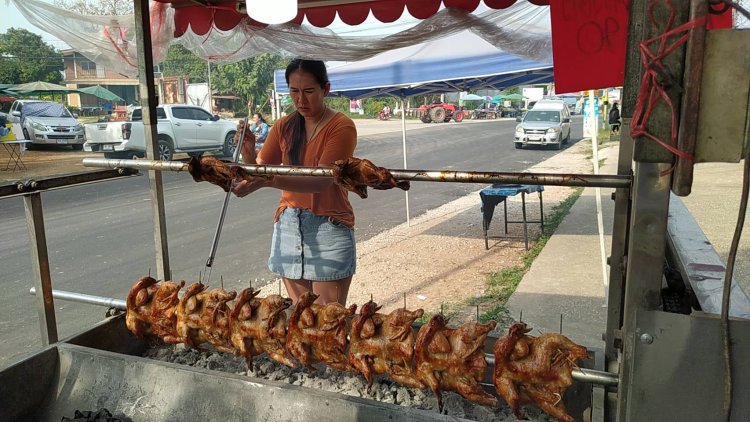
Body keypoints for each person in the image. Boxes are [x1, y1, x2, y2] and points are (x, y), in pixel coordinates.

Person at [231, 59, 357, 306]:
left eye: (309, 91)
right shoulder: (284, 125)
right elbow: (259, 167)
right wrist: (247, 152)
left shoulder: (341, 127)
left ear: (326, 89)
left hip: (328, 226)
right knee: (301, 319)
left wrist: (267, 179)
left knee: (326, 323)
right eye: (294, 91)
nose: (301, 100)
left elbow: (322, 181)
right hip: (289, 224)